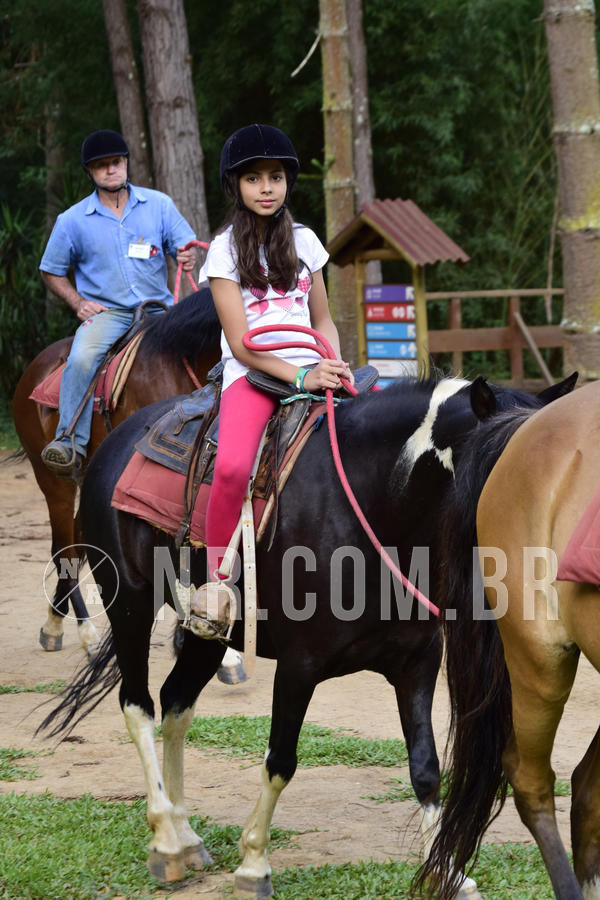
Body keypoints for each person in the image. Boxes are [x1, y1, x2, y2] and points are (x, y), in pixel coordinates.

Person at [186, 123, 352, 639]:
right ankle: (216, 582)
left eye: (275, 177)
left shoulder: (305, 242)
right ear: (235, 185)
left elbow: (322, 319)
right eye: (254, 178)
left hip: (314, 366)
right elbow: (241, 344)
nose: (266, 188)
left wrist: (332, 361)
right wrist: (301, 373)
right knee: (234, 468)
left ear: (287, 183)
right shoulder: (222, 251)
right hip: (256, 375)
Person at [40, 129, 197, 479]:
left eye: (116, 162)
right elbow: (51, 271)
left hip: (158, 311)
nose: (111, 169)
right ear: (90, 172)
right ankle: (69, 441)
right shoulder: (71, 221)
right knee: (82, 357)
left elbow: (183, 245)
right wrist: (77, 302)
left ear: (126, 162)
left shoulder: (159, 205)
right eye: (101, 165)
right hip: (108, 313)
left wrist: (186, 255)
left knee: (207, 349)